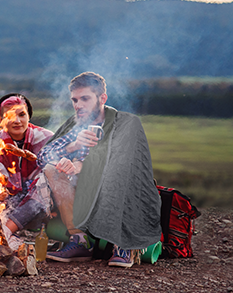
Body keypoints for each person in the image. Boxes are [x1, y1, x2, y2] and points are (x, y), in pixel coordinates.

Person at [41, 72, 162, 268]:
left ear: (102, 98)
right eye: (75, 100)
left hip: (119, 186)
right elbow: (43, 155)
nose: (78, 105)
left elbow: (125, 161)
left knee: (116, 170)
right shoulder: (74, 124)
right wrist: (70, 149)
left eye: (85, 99)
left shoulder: (126, 122)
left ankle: (124, 244)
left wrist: (80, 166)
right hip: (83, 189)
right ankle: (80, 241)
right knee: (51, 168)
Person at [0, 94, 54, 248]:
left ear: (29, 116)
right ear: (1, 119)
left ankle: (5, 231)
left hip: (46, 202)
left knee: (43, 183)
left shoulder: (46, 139)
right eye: (10, 115)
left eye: (21, 115)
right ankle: (2, 239)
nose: (17, 121)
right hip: (14, 199)